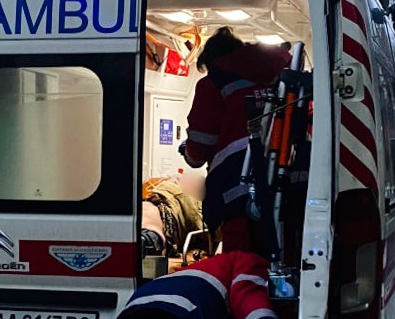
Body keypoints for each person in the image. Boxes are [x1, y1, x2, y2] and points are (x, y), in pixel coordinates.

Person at [181, 26, 291, 253]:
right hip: (284, 186)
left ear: (213, 60)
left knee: (243, 264)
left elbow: (199, 150)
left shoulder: (213, 84)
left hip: (236, 191)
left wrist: (187, 152)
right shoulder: (277, 77)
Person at [117, 250, 276, 319]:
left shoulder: (202, 267)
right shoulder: (249, 262)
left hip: (140, 302)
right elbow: (248, 298)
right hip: (181, 309)